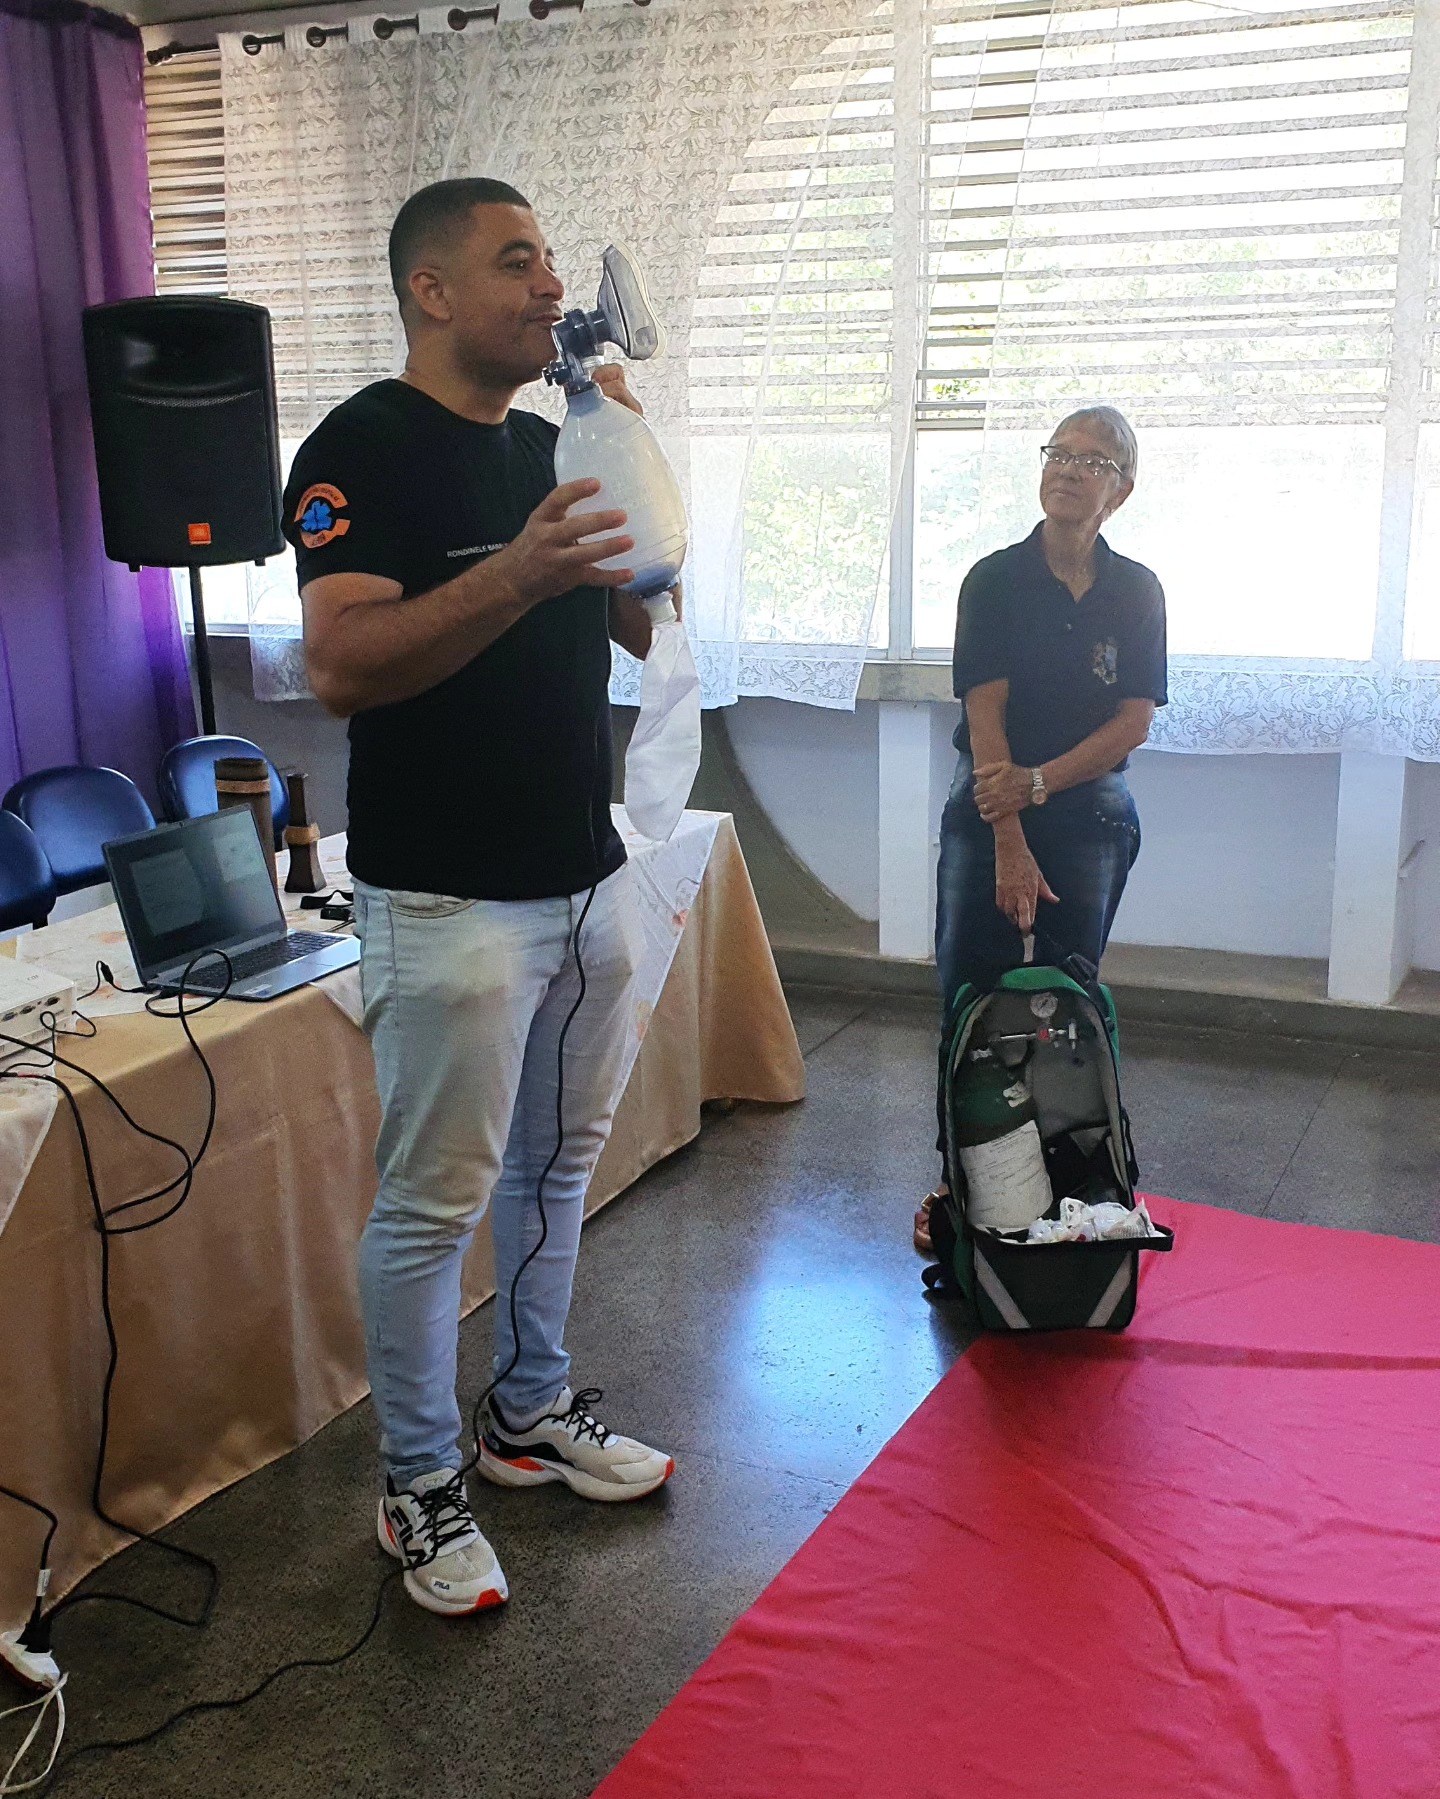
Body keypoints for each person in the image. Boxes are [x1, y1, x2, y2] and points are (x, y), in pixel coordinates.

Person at [284, 177, 675, 1617]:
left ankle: (525, 1410)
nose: (550, 286)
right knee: (433, 1203)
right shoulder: (359, 446)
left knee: (558, 1170)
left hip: (583, 873)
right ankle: (417, 1479)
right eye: (518, 262)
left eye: (553, 260)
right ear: (432, 290)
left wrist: (630, 463)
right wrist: (515, 574)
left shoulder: (552, 439)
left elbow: (644, 618)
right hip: (446, 899)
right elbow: (341, 665)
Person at [915, 406, 1167, 1255]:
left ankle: (1070, 1174)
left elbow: (1133, 721)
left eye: (1091, 460)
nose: (1067, 468)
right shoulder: (993, 579)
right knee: (970, 991)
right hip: (991, 799)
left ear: (1120, 490)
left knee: (1070, 995)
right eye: (1058, 452)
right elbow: (985, 715)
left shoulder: (1137, 590)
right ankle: (958, 1180)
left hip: (1088, 802)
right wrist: (1011, 832)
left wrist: (1042, 781)